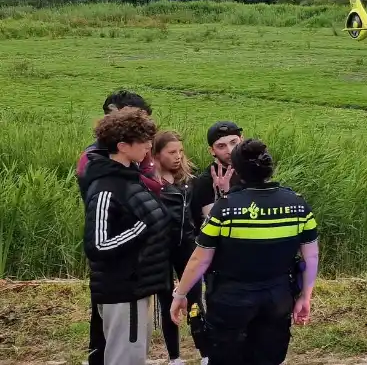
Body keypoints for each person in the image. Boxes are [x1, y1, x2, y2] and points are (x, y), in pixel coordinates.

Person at [170, 138, 320, 365]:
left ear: (237, 170)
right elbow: (311, 256)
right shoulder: (298, 204)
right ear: (270, 168)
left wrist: (180, 294)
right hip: (278, 297)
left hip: (231, 300)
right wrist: (305, 296)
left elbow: (200, 258)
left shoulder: (226, 207)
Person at [80, 107, 172, 365]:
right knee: (125, 360)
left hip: (138, 287)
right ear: (122, 146)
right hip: (123, 292)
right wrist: (140, 229)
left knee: (134, 356)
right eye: (143, 141)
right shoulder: (105, 187)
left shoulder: (130, 178)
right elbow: (98, 245)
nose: (149, 146)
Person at [151, 131, 210, 365]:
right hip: (162, 249)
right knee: (166, 301)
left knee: (196, 300)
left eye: (180, 151)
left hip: (187, 246)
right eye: (172, 152)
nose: (178, 157)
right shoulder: (150, 184)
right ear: (156, 154)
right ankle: (174, 357)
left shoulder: (188, 181)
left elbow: (196, 215)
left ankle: (205, 354)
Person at [190, 120, 244, 224]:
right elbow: (212, 223)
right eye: (221, 146)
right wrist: (222, 196)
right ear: (212, 151)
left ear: (242, 140)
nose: (230, 150)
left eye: (233, 142)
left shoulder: (250, 170)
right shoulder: (206, 180)